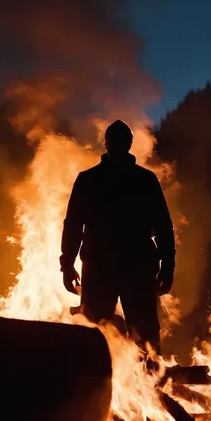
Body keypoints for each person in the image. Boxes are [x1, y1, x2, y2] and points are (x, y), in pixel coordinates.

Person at [60, 120, 175, 354]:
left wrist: (68, 264)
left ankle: (146, 386)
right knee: (105, 335)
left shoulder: (91, 180)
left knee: (103, 336)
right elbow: (72, 225)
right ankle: (128, 383)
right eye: (116, 141)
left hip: (116, 270)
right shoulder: (142, 180)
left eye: (120, 141)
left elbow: (163, 226)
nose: (117, 146)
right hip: (123, 270)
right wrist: (67, 264)